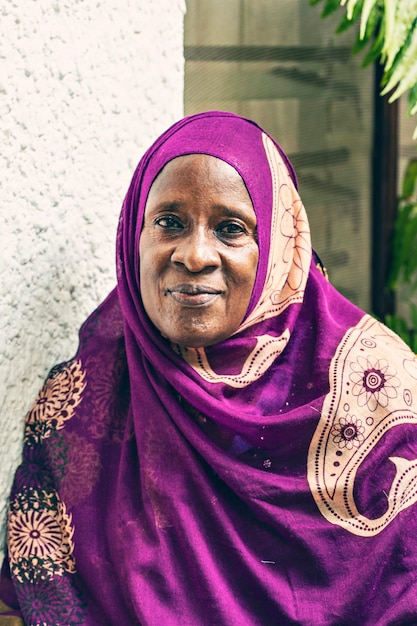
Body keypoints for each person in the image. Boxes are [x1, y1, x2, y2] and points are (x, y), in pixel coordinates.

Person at [1, 111, 417, 626]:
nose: (195, 255)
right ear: (135, 235)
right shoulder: (81, 405)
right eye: (170, 222)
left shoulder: (380, 394)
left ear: (279, 250)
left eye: (230, 228)